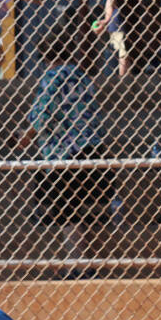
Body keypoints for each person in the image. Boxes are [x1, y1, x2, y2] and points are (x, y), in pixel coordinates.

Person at [18, 27, 113, 279]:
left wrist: (24, 136)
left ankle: (78, 263)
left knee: (67, 211)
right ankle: (88, 261)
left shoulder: (52, 77)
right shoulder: (81, 76)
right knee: (85, 208)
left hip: (65, 153)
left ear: (43, 57)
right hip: (92, 148)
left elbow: (42, 115)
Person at [92, 0, 130, 80]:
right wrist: (107, 20)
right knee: (122, 53)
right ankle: (123, 78)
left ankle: (123, 76)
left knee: (122, 52)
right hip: (118, 24)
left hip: (124, 22)